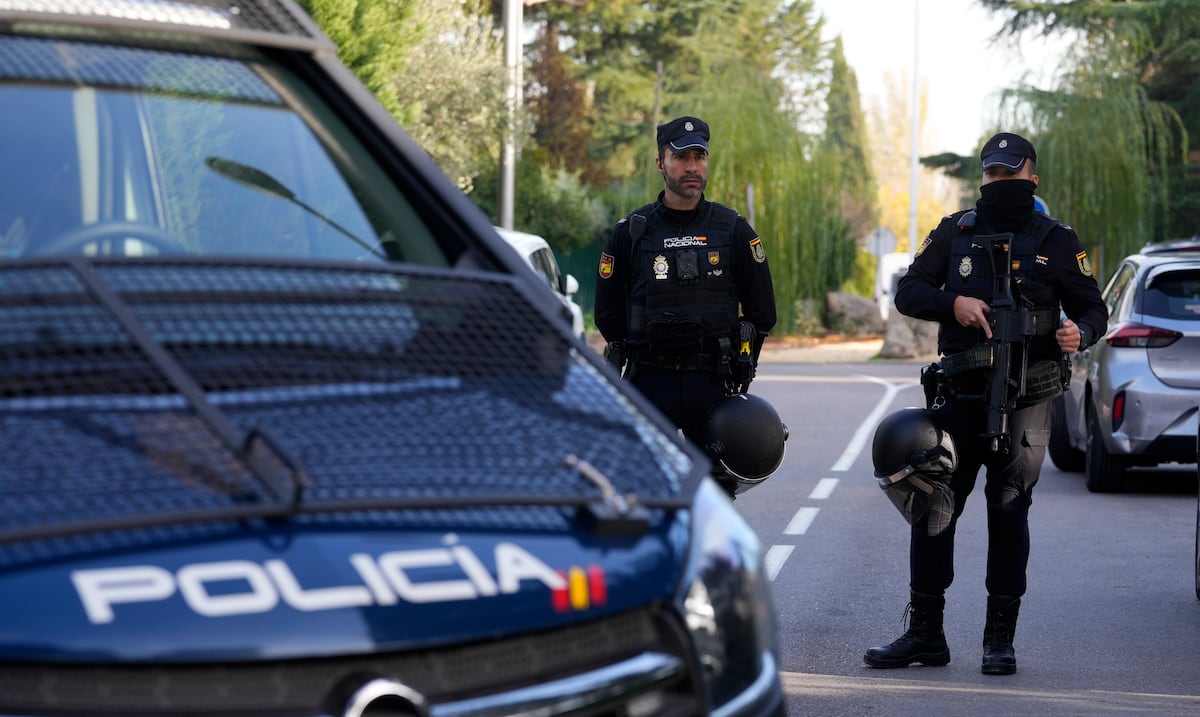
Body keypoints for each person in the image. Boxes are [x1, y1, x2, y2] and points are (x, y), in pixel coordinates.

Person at [864, 132, 1107, 675]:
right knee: (932, 510)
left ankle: (1000, 640)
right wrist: (955, 302)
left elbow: (1094, 308)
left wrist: (1079, 333)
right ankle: (926, 635)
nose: (999, 184)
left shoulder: (1058, 240)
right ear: (982, 178)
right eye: (992, 175)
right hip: (961, 397)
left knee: (1009, 512)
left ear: (1032, 178)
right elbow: (908, 291)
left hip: (1028, 400)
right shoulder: (955, 233)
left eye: (1010, 174)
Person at [594, 116, 777, 493]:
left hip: (712, 382)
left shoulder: (733, 229)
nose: (692, 166)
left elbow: (762, 312)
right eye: (681, 157)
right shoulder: (632, 231)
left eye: (699, 156)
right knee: (644, 494)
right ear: (660, 163)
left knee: (714, 498)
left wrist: (742, 362)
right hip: (650, 380)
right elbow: (607, 313)